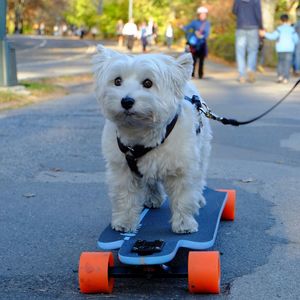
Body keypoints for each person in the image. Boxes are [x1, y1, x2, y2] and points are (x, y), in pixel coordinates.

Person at [260, 14, 299, 84]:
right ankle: (286, 78)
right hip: (289, 49)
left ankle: (280, 76)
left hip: (280, 49)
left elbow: (272, 36)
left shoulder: (279, 29)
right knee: (287, 64)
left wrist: (265, 34)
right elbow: (296, 40)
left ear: (281, 21)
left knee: (280, 63)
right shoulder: (292, 29)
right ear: (288, 20)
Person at [232, 0, 263, 83]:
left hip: (241, 26)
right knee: (252, 51)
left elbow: (234, 11)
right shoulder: (256, 1)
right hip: (253, 27)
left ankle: (241, 75)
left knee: (240, 52)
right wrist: (261, 27)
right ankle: (250, 70)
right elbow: (258, 14)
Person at [182, 6, 211, 79]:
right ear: (198, 15)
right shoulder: (194, 22)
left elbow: (207, 33)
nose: (202, 15)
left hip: (202, 44)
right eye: (201, 14)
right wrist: (184, 28)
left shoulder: (207, 23)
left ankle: (200, 74)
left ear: (206, 15)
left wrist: (201, 36)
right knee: (193, 60)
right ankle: (192, 74)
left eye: (204, 14)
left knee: (201, 60)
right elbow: (187, 28)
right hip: (194, 44)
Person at [293, 5, 300, 76]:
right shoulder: (297, 21)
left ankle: (297, 70)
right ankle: (297, 70)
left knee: (297, 55)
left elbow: (293, 30)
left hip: (298, 40)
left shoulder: (298, 22)